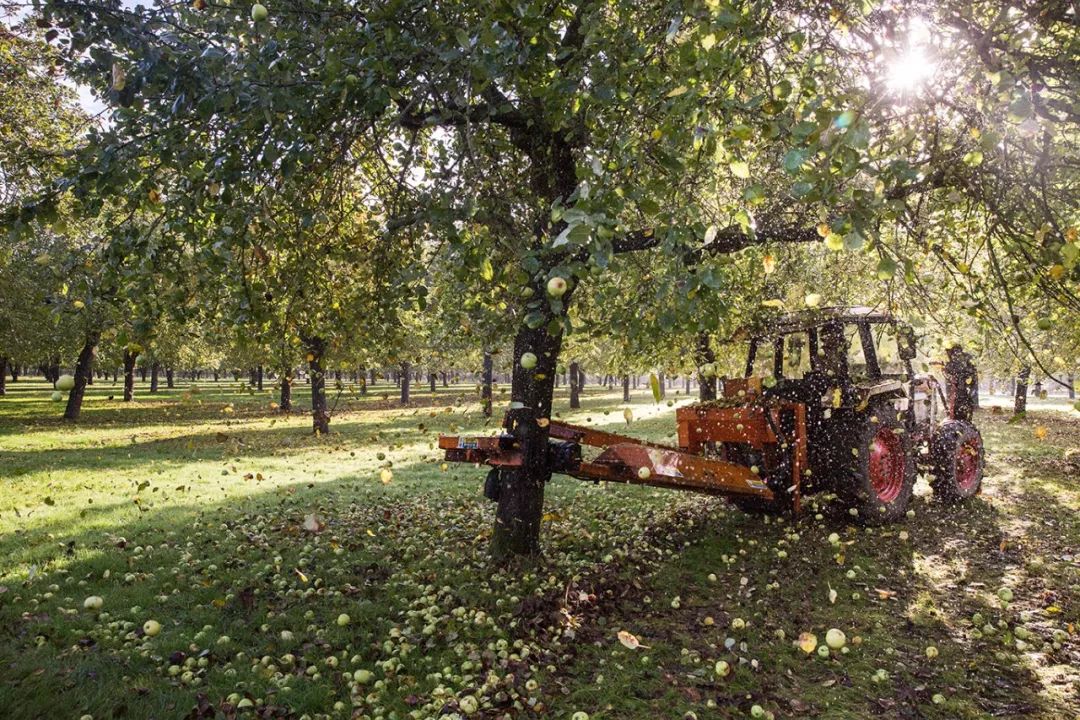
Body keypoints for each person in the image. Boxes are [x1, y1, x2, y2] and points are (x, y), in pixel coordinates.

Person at [943, 343, 978, 421]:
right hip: (957, 393)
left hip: (961, 392)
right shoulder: (953, 363)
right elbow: (948, 375)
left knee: (961, 411)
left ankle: (962, 422)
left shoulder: (964, 362)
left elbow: (972, 376)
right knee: (958, 412)